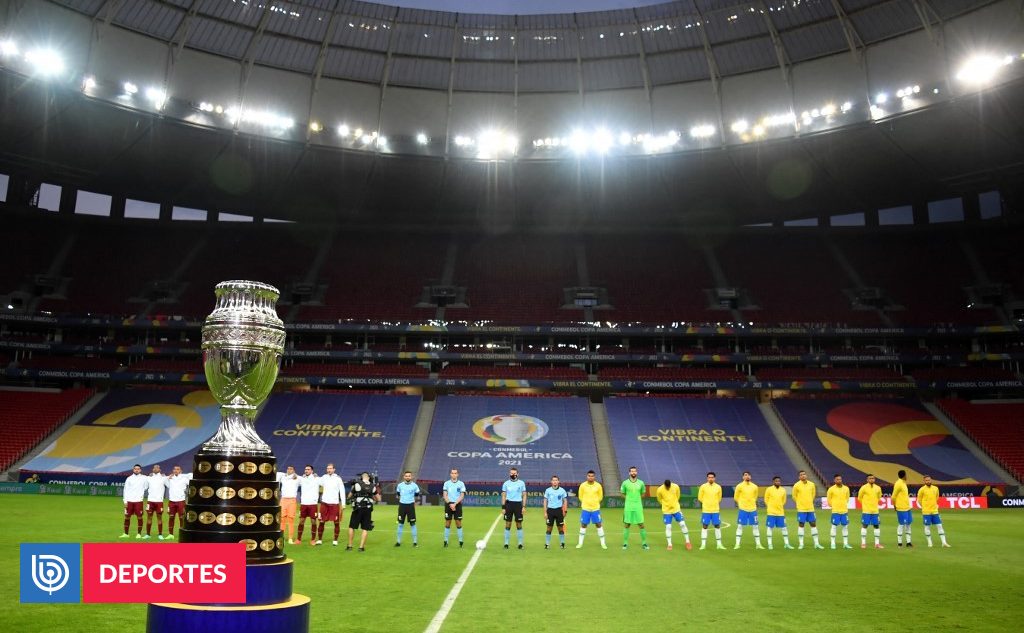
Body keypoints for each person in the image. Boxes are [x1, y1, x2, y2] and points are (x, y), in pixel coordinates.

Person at [346, 472, 381, 552]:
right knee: (365, 528)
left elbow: (349, 496)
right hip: (367, 508)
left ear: (361, 477)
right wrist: (372, 498)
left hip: (357, 508)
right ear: (368, 477)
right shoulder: (373, 486)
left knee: (352, 527)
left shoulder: (356, 485)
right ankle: (361, 547)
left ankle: (350, 546)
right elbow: (378, 499)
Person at [656, 478, 692, 551]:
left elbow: (678, 495)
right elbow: (659, 499)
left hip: (676, 509)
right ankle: (669, 544)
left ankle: (687, 542)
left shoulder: (675, 486)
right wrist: (665, 505)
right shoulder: (660, 489)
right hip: (666, 511)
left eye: (669, 486)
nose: (668, 487)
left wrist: (674, 503)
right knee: (668, 526)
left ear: (670, 484)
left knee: (682, 524)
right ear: (664, 485)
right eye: (667, 487)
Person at [575, 470, 607, 549]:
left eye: (592, 476)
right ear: (587, 476)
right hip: (586, 509)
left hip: (595, 509)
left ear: (594, 477)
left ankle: (603, 543)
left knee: (598, 524)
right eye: (589, 476)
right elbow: (580, 496)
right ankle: (580, 543)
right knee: (583, 525)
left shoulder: (598, 485)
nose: (590, 477)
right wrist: (586, 503)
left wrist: (594, 502)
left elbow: (600, 497)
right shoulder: (582, 485)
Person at [317, 463, 346, 546]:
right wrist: (313, 475)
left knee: (336, 523)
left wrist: (343, 504)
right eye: (327, 468)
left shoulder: (338, 478)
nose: (329, 470)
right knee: (321, 522)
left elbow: (342, 491)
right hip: (324, 503)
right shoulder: (324, 477)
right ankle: (319, 539)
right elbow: (316, 481)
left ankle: (335, 540)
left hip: (334, 504)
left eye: (330, 468)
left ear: (334, 469)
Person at [793, 470, 824, 550]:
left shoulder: (812, 484)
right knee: (801, 524)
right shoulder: (796, 485)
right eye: (801, 475)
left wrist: (809, 502)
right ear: (799, 477)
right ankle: (801, 544)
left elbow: (813, 495)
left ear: (806, 475)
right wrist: (800, 503)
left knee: (813, 524)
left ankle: (816, 543)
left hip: (810, 508)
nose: (803, 475)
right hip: (801, 509)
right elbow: (794, 496)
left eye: (804, 474)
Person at [620, 466, 648, 550]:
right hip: (628, 507)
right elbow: (622, 493)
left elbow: (643, 493)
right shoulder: (625, 483)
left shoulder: (641, 483)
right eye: (632, 471)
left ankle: (644, 543)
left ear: (637, 472)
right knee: (627, 524)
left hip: (638, 507)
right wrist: (628, 499)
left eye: (635, 471)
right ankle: (625, 543)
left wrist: (637, 500)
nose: (633, 473)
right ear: (629, 473)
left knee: (641, 524)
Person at [917, 475, 950, 548]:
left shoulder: (935, 488)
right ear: (924, 481)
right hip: (926, 512)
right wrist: (924, 507)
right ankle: (929, 542)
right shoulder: (921, 490)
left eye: (929, 480)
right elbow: (919, 500)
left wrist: (933, 505)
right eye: (926, 480)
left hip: (935, 511)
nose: (928, 481)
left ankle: (944, 542)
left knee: (939, 526)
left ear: (931, 480)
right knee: (927, 527)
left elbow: (937, 498)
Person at [732, 471, 762, 550]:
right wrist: (741, 504)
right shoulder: (739, 486)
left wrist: (751, 503)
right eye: (745, 475)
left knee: (755, 526)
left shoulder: (755, 486)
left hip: (753, 509)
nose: (747, 476)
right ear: (743, 477)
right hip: (743, 509)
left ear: (750, 477)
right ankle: (737, 544)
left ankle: (758, 544)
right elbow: (736, 497)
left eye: (748, 475)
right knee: (740, 526)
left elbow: (755, 497)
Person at [697, 471, 725, 550]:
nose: (710, 479)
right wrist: (706, 503)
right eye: (709, 477)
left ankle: (719, 544)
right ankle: (703, 544)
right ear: (707, 478)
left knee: (717, 526)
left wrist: (714, 503)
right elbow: (700, 497)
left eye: (712, 477)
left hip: (715, 510)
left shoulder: (718, 487)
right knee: (705, 526)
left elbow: (719, 498)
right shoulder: (703, 486)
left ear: (714, 478)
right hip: (706, 510)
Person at [764, 476, 793, 550]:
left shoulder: (783, 490)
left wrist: (779, 506)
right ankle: (770, 544)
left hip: (780, 512)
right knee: (770, 528)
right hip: (771, 512)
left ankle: (786, 544)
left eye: (779, 481)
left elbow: (784, 500)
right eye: (776, 481)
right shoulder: (769, 489)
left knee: (784, 528)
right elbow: (766, 499)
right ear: (773, 482)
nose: (778, 482)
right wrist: (770, 506)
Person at [501, 467, 527, 549]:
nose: (513, 475)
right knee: (508, 524)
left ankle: (520, 544)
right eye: (511, 473)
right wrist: (503, 507)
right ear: (509, 474)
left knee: (518, 524)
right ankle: (506, 543)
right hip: (508, 505)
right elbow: (504, 495)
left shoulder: (521, 483)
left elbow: (524, 495)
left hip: (518, 505)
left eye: (514, 473)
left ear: (517, 474)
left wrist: (523, 506)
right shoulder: (506, 483)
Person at [120, 464, 148, 539]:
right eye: (135, 469)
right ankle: (126, 534)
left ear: (140, 470)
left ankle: (139, 534)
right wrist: (125, 501)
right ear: (133, 470)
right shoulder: (129, 478)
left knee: (139, 517)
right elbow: (125, 490)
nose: (136, 470)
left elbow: (146, 487)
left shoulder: (144, 478)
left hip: (138, 501)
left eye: (138, 469)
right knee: (127, 517)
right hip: (129, 501)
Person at [165, 465, 191, 540]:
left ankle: (182, 534)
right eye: (174, 469)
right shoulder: (170, 479)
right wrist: (168, 478)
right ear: (173, 471)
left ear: (180, 471)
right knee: (171, 517)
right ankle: (170, 534)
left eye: (178, 469)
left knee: (182, 518)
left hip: (181, 501)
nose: (176, 470)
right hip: (171, 501)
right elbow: (167, 484)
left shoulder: (184, 478)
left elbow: (191, 479)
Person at [826, 474, 852, 549]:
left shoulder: (846, 488)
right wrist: (834, 506)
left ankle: (845, 543)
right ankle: (833, 543)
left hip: (844, 511)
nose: (839, 481)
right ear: (834, 480)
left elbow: (847, 498)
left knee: (845, 526)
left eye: (840, 479)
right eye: (837, 479)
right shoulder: (831, 489)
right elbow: (829, 500)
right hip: (835, 511)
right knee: (834, 526)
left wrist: (843, 505)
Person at [858, 474, 884, 549]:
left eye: (873, 478)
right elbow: (859, 498)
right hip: (866, 511)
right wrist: (865, 505)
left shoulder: (878, 488)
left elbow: (879, 497)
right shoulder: (863, 487)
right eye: (870, 478)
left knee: (876, 526)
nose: (872, 479)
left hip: (875, 511)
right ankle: (863, 543)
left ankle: (877, 544)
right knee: (865, 525)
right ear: (867, 479)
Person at [296, 464, 320, 546]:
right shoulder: (302, 479)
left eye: (308, 469)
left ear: (312, 471)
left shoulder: (317, 479)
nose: (306, 470)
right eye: (305, 469)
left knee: (313, 522)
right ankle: (298, 539)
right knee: (301, 521)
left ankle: (313, 539)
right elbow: (293, 477)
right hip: (303, 504)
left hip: (313, 504)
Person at [395, 471, 420, 547]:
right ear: (404, 477)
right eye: (406, 476)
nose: (407, 477)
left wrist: (410, 501)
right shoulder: (400, 485)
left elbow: (416, 494)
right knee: (400, 524)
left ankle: (415, 542)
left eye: (409, 476)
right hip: (402, 506)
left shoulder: (415, 486)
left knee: (412, 524)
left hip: (410, 506)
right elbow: (398, 494)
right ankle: (398, 542)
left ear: (411, 477)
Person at [542, 475, 568, 549]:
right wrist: (545, 512)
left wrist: (565, 510)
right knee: (549, 528)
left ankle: (562, 543)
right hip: (550, 511)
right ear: (551, 481)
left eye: (556, 480)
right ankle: (547, 544)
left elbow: (565, 501)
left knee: (560, 528)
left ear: (558, 481)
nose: (555, 481)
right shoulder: (548, 490)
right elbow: (545, 501)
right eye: (553, 480)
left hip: (559, 511)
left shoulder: (562, 490)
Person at [442, 468, 466, 548]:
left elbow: (462, 495)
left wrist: (455, 504)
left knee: (458, 522)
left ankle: (461, 541)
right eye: (452, 473)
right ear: (450, 474)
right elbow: (445, 495)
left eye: (455, 473)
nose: (454, 474)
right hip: (448, 504)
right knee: (447, 522)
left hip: (457, 505)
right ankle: (445, 541)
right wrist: (450, 504)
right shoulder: (446, 483)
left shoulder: (461, 484)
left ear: (457, 474)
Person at [144, 464, 167, 540]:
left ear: (160, 470)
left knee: (159, 518)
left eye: (157, 467)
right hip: (150, 501)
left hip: (159, 502)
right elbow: (145, 487)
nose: (156, 468)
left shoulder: (163, 478)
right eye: (154, 467)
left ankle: (160, 534)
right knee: (149, 517)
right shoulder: (149, 478)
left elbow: (170, 484)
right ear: (152, 469)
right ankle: (147, 534)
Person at [277, 466, 300, 544]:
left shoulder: (297, 478)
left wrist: (314, 475)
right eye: (288, 469)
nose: (289, 470)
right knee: (282, 519)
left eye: (291, 469)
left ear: (294, 470)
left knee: (291, 520)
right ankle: (281, 537)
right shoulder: (282, 476)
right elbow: (274, 473)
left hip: (292, 500)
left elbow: (306, 479)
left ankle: (290, 538)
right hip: (283, 500)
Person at [893, 469, 913, 548]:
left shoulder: (903, 483)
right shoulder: (898, 484)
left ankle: (908, 542)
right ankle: (900, 543)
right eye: (906, 475)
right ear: (904, 475)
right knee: (901, 524)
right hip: (901, 508)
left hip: (907, 507)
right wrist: (895, 505)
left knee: (908, 523)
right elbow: (893, 496)